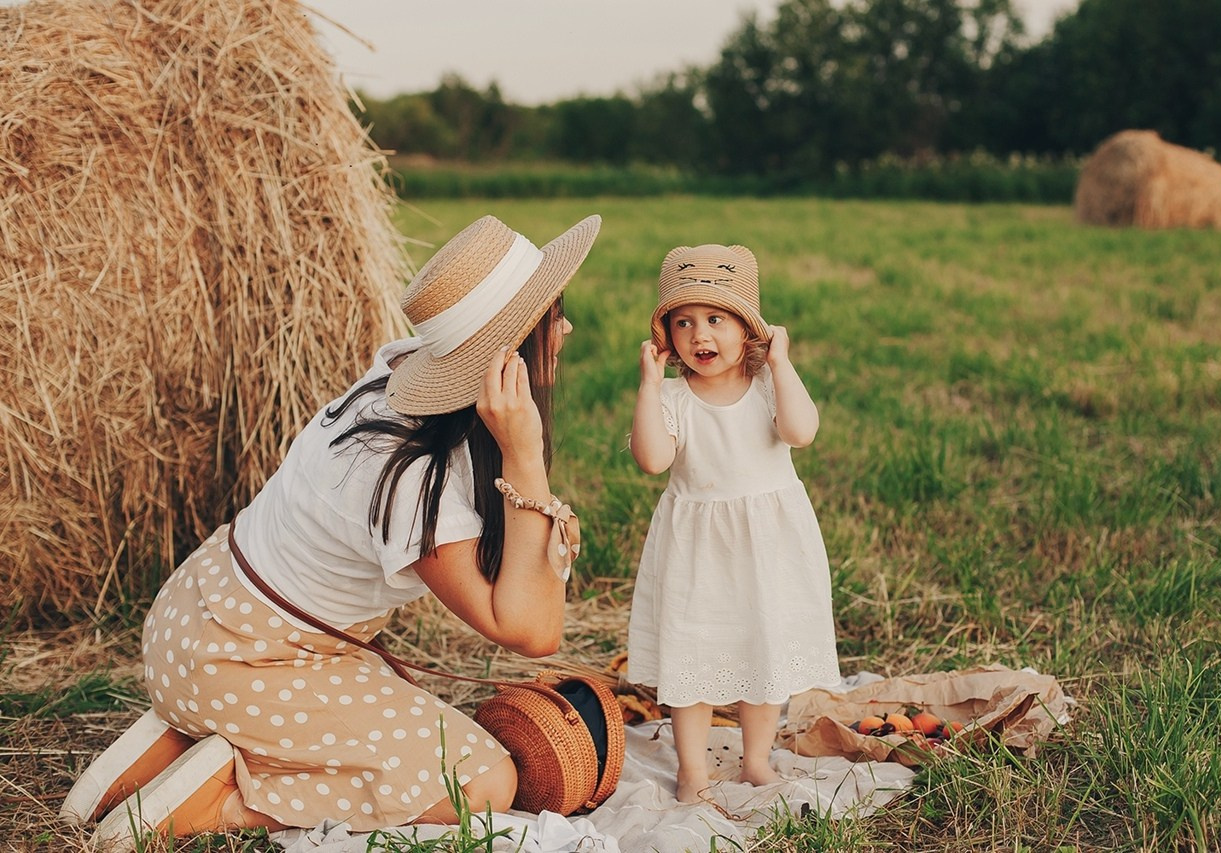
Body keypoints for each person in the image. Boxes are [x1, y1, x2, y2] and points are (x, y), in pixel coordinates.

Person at [60, 212, 602, 846]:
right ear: (507, 350)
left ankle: (170, 745)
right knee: (482, 782)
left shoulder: (392, 384)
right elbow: (533, 630)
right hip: (248, 660)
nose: (564, 328)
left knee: (394, 702)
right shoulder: (413, 479)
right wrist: (526, 457)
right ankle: (221, 799)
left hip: (194, 618)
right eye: (551, 313)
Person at [626, 243, 841, 804]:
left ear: (748, 329)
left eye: (716, 319)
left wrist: (782, 362)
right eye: (684, 323)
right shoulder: (673, 396)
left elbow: (801, 432)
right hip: (696, 546)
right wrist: (648, 386)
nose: (700, 335)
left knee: (761, 645)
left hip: (767, 542)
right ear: (666, 337)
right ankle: (693, 767)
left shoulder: (769, 385)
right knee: (690, 652)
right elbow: (652, 459)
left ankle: (755, 760)